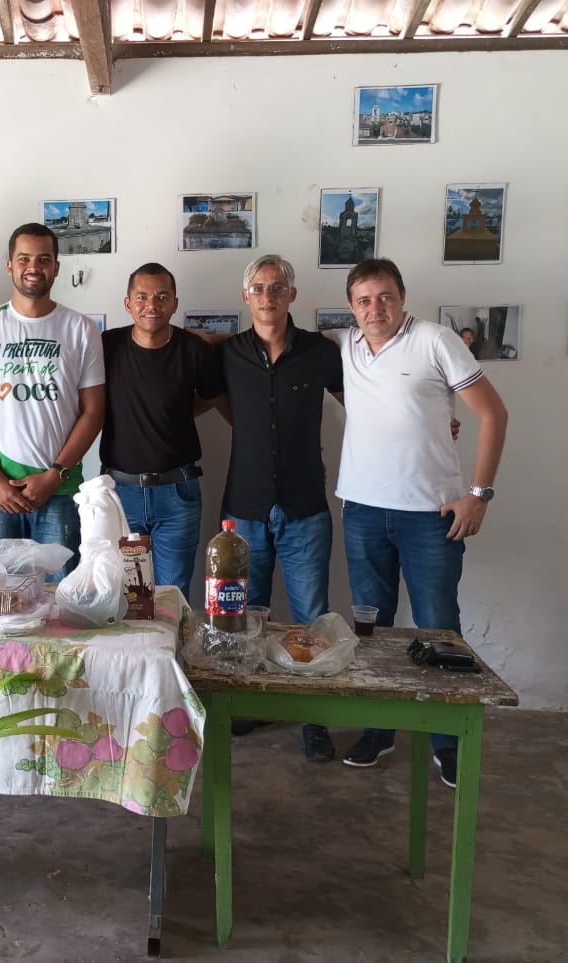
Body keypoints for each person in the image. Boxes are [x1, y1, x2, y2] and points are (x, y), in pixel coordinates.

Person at [336, 258, 508, 788]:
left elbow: (493, 414)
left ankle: (446, 741)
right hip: (362, 509)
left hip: (431, 513)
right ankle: (379, 728)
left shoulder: (434, 340)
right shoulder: (346, 345)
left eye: (385, 297)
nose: (375, 308)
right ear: (352, 307)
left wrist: (477, 495)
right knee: (372, 630)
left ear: (403, 297)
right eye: (364, 300)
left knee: (440, 628)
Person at [216, 254, 345, 761]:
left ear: (292, 294)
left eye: (277, 288)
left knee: (312, 617)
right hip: (244, 507)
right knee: (245, 616)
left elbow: (369, 400)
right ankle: (249, 703)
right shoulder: (227, 355)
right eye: (259, 289)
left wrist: (428, 424)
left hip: (303, 505)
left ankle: (315, 718)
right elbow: (210, 403)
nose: (268, 297)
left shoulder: (320, 352)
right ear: (246, 297)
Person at [0, 223, 106, 579]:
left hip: (60, 491)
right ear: (9, 266)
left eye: (43, 259)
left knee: (60, 604)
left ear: (56, 267)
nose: (33, 267)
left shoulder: (81, 329)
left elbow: (94, 411)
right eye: (24, 259)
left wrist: (54, 475)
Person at [100, 262, 223, 602]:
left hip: (177, 492)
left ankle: (173, 657)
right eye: (141, 297)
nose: (151, 305)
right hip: (121, 493)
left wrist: (175, 412)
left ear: (174, 303)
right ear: (127, 303)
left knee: (173, 595)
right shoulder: (106, 347)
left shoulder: (194, 349)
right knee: (130, 597)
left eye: (161, 296)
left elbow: (211, 398)